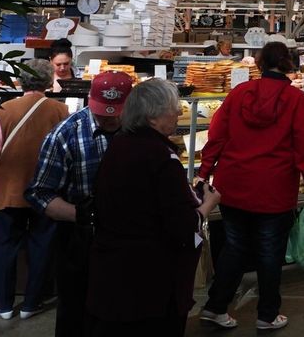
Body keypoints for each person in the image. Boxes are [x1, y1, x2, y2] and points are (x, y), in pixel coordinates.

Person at [196, 42, 304, 330]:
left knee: (234, 247)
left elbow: (216, 136)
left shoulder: (239, 94)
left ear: (259, 63)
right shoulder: (296, 100)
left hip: (233, 185)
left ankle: (215, 307)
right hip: (274, 189)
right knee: (270, 253)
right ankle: (267, 315)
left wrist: (204, 173)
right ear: (289, 64)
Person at [87, 79, 220, 337]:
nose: (179, 113)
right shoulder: (161, 158)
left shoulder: (118, 145)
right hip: (151, 283)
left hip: (112, 274)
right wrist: (207, 205)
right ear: (153, 116)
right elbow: (181, 225)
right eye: (173, 108)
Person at [27, 71, 134, 337]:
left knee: (121, 311)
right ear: (89, 100)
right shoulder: (65, 135)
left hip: (127, 241)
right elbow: (40, 193)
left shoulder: (137, 132)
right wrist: (83, 215)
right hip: (79, 240)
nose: (110, 118)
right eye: (102, 112)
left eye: (116, 112)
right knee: (75, 312)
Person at [0, 60, 69, 320]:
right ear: (48, 81)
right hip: (46, 190)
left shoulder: (5, 108)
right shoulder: (60, 110)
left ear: (21, 81)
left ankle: (4, 305)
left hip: (8, 188)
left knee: (4, 248)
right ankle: (31, 303)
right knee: (41, 246)